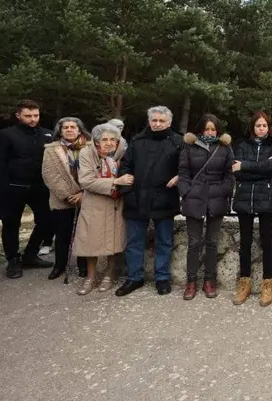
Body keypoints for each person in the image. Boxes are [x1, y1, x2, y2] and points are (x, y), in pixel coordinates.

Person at [115, 106, 183, 297]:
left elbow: (186, 167)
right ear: (149, 121)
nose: (157, 124)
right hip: (137, 198)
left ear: (169, 122)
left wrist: (179, 177)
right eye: (154, 120)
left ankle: (162, 278)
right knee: (134, 241)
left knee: (164, 241)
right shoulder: (137, 141)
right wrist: (127, 189)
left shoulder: (178, 142)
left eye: (162, 121)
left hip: (165, 198)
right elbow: (126, 166)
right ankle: (134, 277)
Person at [0, 99, 54, 278]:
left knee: (47, 221)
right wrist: (1, 188)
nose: (32, 119)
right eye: (28, 116)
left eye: (35, 115)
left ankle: (30, 254)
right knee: (11, 224)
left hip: (40, 187)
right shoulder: (6, 135)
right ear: (18, 115)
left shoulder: (48, 135)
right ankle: (12, 261)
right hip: (14, 187)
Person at [178, 114, 235, 300]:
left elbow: (229, 173)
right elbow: (184, 172)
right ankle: (191, 281)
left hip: (216, 197)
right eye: (207, 129)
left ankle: (210, 280)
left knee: (212, 242)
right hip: (194, 196)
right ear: (201, 130)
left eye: (213, 129)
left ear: (217, 130)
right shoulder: (190, 146)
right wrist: (186, 191)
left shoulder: (225, 148)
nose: (210, 132)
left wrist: (225, 190)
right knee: (194, 242)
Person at [232, 111, 272, 307]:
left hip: (267, 200)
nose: (261, 128)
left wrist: (245, 166)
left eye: (264, 125)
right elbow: (236, 173)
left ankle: (267, 283)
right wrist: (257, 170)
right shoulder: (242, 144)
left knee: (266, 242)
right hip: (245, 198)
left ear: (269, 127)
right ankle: (244, 281)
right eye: (258, 125)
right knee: (244, 243)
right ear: (252, 127)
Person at [74, 123, 133, 295]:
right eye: (104, 139)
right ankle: (90, 277)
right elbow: (86, 181)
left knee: (114, 239)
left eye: (112, 139)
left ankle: (109, 274)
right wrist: (115, 182)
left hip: (116, 204)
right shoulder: (87, 154)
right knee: (91, 240)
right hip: (95, 204)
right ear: (97, 141)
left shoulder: (122, 155)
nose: (108, 143)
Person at [41, 117, 91, 280]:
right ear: (60, 131)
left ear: (79, 130)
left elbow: (95, 172)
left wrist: (83, 193)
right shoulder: (51, 149)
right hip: (62, 199)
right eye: (65, 128)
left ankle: (84, 265)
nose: (69, 130)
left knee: (84, 234)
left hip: (87, 197)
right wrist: (70, 195)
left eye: (73, 127)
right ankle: (60, 265)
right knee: (63, 235)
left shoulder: (90, 147)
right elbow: (50, 175)